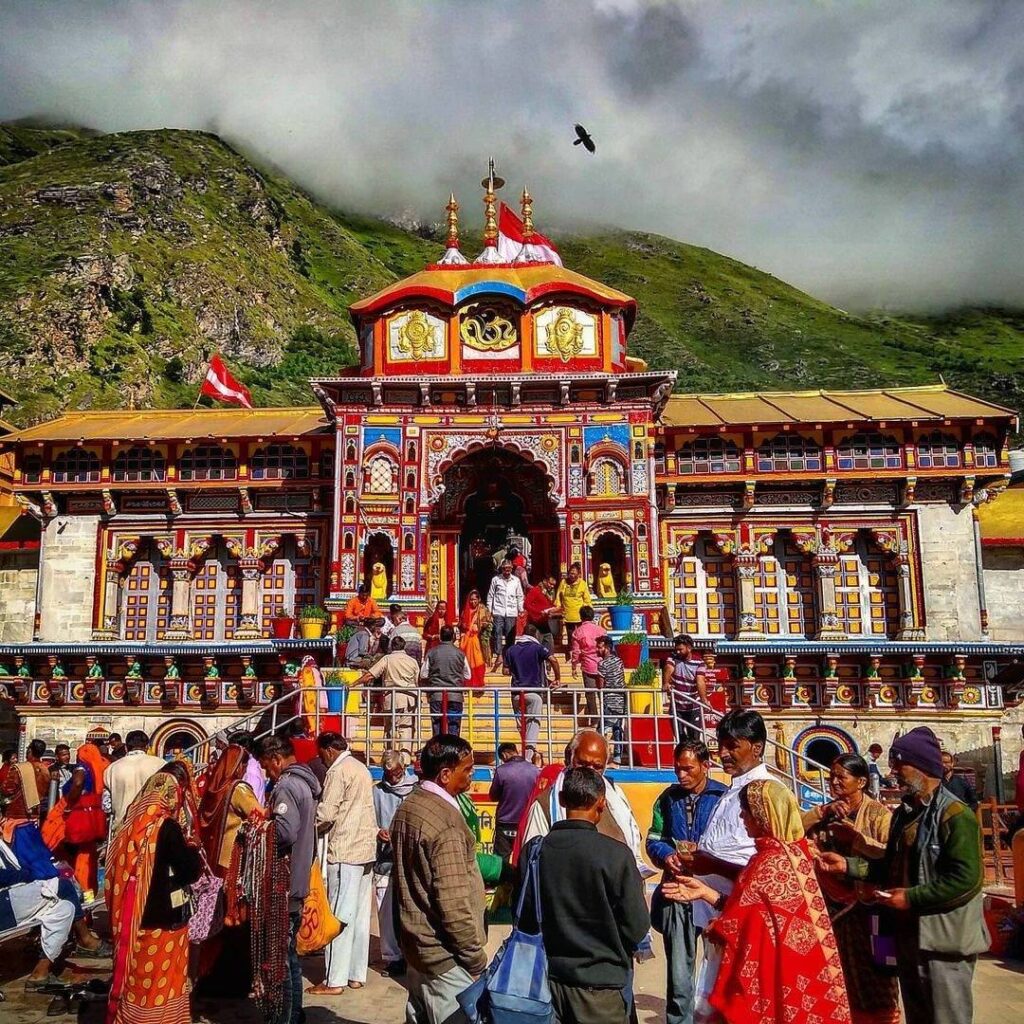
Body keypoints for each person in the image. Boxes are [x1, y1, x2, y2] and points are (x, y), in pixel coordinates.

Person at [817, 726, 989, 1024]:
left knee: (946, 1017)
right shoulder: (905, 814)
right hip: (910, 937)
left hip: (944, 940)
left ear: (922, 766)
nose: (893, 771)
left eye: (900, 765)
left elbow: (967, 880)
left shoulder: (956, 816)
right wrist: (848, 866)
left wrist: (911, 897)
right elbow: (890, 865)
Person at [665, 779, 852, 1024]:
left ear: (763, 816)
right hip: (799, 970)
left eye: (747, 811)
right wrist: (703, 892)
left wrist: (719, 928)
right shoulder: (795, 853)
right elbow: (753, 912)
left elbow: (745, 925)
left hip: (774, 973)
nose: (742, 816)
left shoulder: (767, 864)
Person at [519, 766, 649, 1024]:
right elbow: (637, 927)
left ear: (561, 800)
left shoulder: (534, 852)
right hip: (600, 987)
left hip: (547, 982)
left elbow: (523, 917)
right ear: (601, 804)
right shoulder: (616, 855)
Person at [390, 734, 487, 1024]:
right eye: (467, 770)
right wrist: (475, 961)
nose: (472, 775)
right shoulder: (445, 824)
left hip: (418, 950)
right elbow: (453, 905)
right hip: (444, 959)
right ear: (445, 774)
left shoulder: (410, 805)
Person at [801, 753, 897, 1024]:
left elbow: (888, 857)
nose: (834, 782)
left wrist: (856, 839)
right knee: (837, 976)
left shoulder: (879, 815)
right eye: (831, 776)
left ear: (862, 781)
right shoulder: (826, 812)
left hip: (871, 910)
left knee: (878, 979)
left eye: (841, 777)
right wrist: (822, 812)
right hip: (832, 909)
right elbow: (794, 831)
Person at [105, 769, 202, 1024]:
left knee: (138, 978)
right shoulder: (167, 826)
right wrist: (193, 849)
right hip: (164, 918)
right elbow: (189, 869)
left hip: (133, 916)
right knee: (162, 980)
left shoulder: (130, 823)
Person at [646, 740, 727, 1024]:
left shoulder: (723, 797)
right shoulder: (667, 799)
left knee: (719, 966)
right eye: (677, 769)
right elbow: (654, 838)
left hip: (714, 893)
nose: (681, 775)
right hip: (679, 891)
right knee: (680, 972)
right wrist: (666, 855)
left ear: (706, 766)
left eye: (688, 769)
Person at [518, 730, 653, 895]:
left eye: (597, 767)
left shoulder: (616, 795)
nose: (589, 772)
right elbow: (533, 862)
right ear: (569, 757)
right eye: (583, 764)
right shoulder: (545, 804)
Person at [256, 734, 322, 1024]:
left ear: (275, 759)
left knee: (280, 954)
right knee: (289, 954)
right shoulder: (305, 784)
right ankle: (293, 1013)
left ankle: (285, 1017)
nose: (267, 773)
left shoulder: (286, 786)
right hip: (297, 877)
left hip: (284, 881)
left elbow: (284, 831)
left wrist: (260, 826)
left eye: (266, 766)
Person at [194, 742, 264, 996]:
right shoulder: (239, 789)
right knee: (235, 920)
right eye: (244, 764)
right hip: (234, 863)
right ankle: (232, 979)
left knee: (217, 922)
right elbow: (259, 816)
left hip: (214, 861)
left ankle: (208, 974)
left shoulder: (214, 789)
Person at [310, 733, 377, 995]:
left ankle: (334, 979)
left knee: (339, 914)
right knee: (359, 917)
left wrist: (308, 821)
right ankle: (355, 974)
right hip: (365, 848)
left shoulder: (338, 771)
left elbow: (326, 814)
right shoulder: (361, 768)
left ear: (328, 750)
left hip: (346, 849)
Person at [0, 835, 109, 990]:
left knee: (65, 908)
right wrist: (30, 874)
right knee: (61, 886)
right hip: (5, 906)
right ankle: (85, 939)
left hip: (10, 900)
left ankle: (40, 973)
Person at [372, 750, 416, 978]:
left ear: (403, 769)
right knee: (385, 910)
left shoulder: (416, 788)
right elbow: (370, 819)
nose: (392, 778)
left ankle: (413, 954)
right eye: (388, 774)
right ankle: (392, 957)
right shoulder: (376, 792)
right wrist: (377, 832)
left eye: (396, 773)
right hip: (385, 859)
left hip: (410, 859)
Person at [505, 623, 561, 756]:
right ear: (536, 635)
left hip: (516, 694)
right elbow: (553, 659)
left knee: (521, 726)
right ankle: (528, 756)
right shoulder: (538, 648)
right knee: (533, 725)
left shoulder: (511, 650)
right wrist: (558, 678)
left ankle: (527, 751)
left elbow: (505, 670)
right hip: (534, 692)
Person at [61, 738, 109, 892]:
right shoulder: (101, 768)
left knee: (76, 858)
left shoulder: (82, 769)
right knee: (89, 858)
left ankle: (79, 896)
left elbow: (77, 784)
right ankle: (88, 894)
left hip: (79, 817)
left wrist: (69, 803)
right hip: (94, 818)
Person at [357, 636, 420, 752]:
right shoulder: (413, 661)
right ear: (404, 646)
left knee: (390, 728)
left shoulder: (387, 659)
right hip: (410, 698)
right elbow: (417, 681)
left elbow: (370, 675)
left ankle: (390, 757)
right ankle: (405, 758)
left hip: (392, 698)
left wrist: (354, 684)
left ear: (392, 646)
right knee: (406, 729)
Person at [102, 730, 165, 829]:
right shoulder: (161, 765)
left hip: (122, 828)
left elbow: (106, 806)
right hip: (152, 828)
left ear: (126, 748)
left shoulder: (112, 769)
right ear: (147, 747)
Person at [489, 742, 540, 860]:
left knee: (501, 861)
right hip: (527, 821)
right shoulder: (534, 770)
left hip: (505, 822)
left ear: (504, 754)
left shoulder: (501, 771)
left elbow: (493, 796)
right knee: (526, 857)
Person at [421, 625, 472, 736]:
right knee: (454, 725)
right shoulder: (460, 653)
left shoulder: (431, 652)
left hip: (436, 695)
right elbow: (468, 675)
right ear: (453, 637)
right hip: (455, 695)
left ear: (440, 637)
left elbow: (423, 674)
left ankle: (438, 750)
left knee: (437, 726)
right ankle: (453, 751)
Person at [663, 634, 708, 741]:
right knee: (680, 738)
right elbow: (669, 668)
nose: (678, 651)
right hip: (677, 706)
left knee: (695, 738)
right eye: (676, 649)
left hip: (693, 706)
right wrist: (666, 683)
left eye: (680, 649)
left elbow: (700, 681)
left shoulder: (699, 663)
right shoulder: (673, 657)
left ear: (689, 648)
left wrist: (704, 699)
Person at [487, 559, 525, 670]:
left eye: (508, 568)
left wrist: (520, 609)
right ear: (501, 569)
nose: (506, 571)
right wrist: (489, 610)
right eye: (504, 569)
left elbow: (520, 596)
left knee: (510, 635)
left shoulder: (516, 581)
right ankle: (499, 655)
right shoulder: (496, 580)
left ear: (511, 569)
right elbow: (491, 595)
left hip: (511, 611)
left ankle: (508, 658)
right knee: (497, 632)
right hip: (498, 610)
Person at [595, 635, 627, 764]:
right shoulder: (619, 661)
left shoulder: (602, 664)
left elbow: (601, 684)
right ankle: (617, 757)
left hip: (609, 700)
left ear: (607, 648)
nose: (597, 650)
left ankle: (601, 755)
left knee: (601, 730)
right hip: (621, 699)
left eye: (599, 647)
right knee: (617, 729)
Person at [571, 605, 603, 727]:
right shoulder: (601, 630)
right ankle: (606, 717)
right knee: (603, 692)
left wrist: (574, 666)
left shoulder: (577, 632)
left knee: (590, 694)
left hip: (588, 665)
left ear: (581, 617)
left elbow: (576, 652)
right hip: (601, 665)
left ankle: (595, 720)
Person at [1, 740, 43, 820]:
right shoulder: (45, 769)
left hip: (19, 812)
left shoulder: (19, 768)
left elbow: (8, 789)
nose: (16, 760)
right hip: (37, 810)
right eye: (13, 758)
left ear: (30, 751)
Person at [556, 562, 593, 652]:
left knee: (581, 634)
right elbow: (558, 595)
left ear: (578, 574)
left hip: (579, 615)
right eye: (570, 573)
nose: (571, 575)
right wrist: (558, 607)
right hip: (568, 615)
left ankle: (582, 650)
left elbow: (587, 599)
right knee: (570, 634)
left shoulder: (582, 584)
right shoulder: (564, 582)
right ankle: (571, 651)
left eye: (574, 574)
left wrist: (588, 612)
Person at [458, 590, 491, 688]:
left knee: (478, 661)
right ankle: (468, 683)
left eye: (475, 599)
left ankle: (478, 683)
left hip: (478, 640)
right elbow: (461, 625)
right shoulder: (465, 611)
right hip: (467, 641)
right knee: (467, 661)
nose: (473, 602)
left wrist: (482, 626)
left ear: (479, 599)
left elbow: (489, 623)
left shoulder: (483, 610)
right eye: (471, 600)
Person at [524, 574, 560, 650]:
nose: (552, 586)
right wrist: (539, 612)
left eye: (553, 585)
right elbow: (526, 604)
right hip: (535, 623)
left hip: (544, 622)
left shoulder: (549, 593)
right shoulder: (535, 590)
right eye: (550, 584)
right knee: (536, 646)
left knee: (549, 645)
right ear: (544, 581)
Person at [296, 655, 328, 735]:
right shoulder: (318, 671)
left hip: (312, 701)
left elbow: (304, 686)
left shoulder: (306, 670)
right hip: (323, 700)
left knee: (312, 722)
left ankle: (313, 736)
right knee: (320, 722)